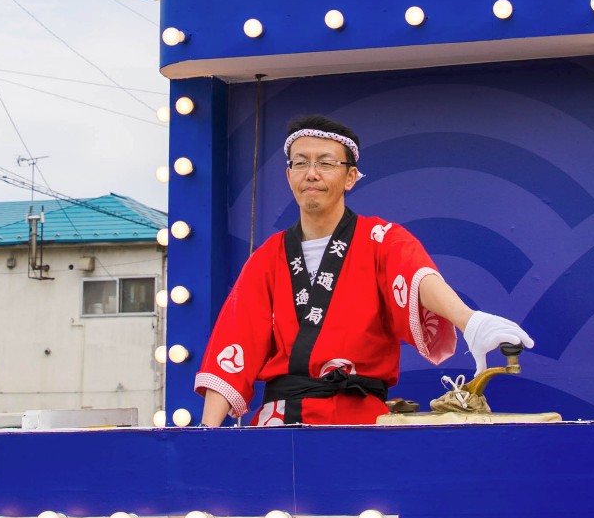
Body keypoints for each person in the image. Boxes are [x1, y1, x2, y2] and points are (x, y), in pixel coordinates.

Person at [195, 114, 532, 427]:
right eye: (301, 163)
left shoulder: (380, 240)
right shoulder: (267, 257)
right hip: (280, 421)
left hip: (363, 421)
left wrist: (470, 321)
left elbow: (417, 278)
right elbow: (233, 344)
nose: (311, 173)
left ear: (350, 177)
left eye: (326, 163)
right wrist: (206, 434)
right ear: (289, 175)